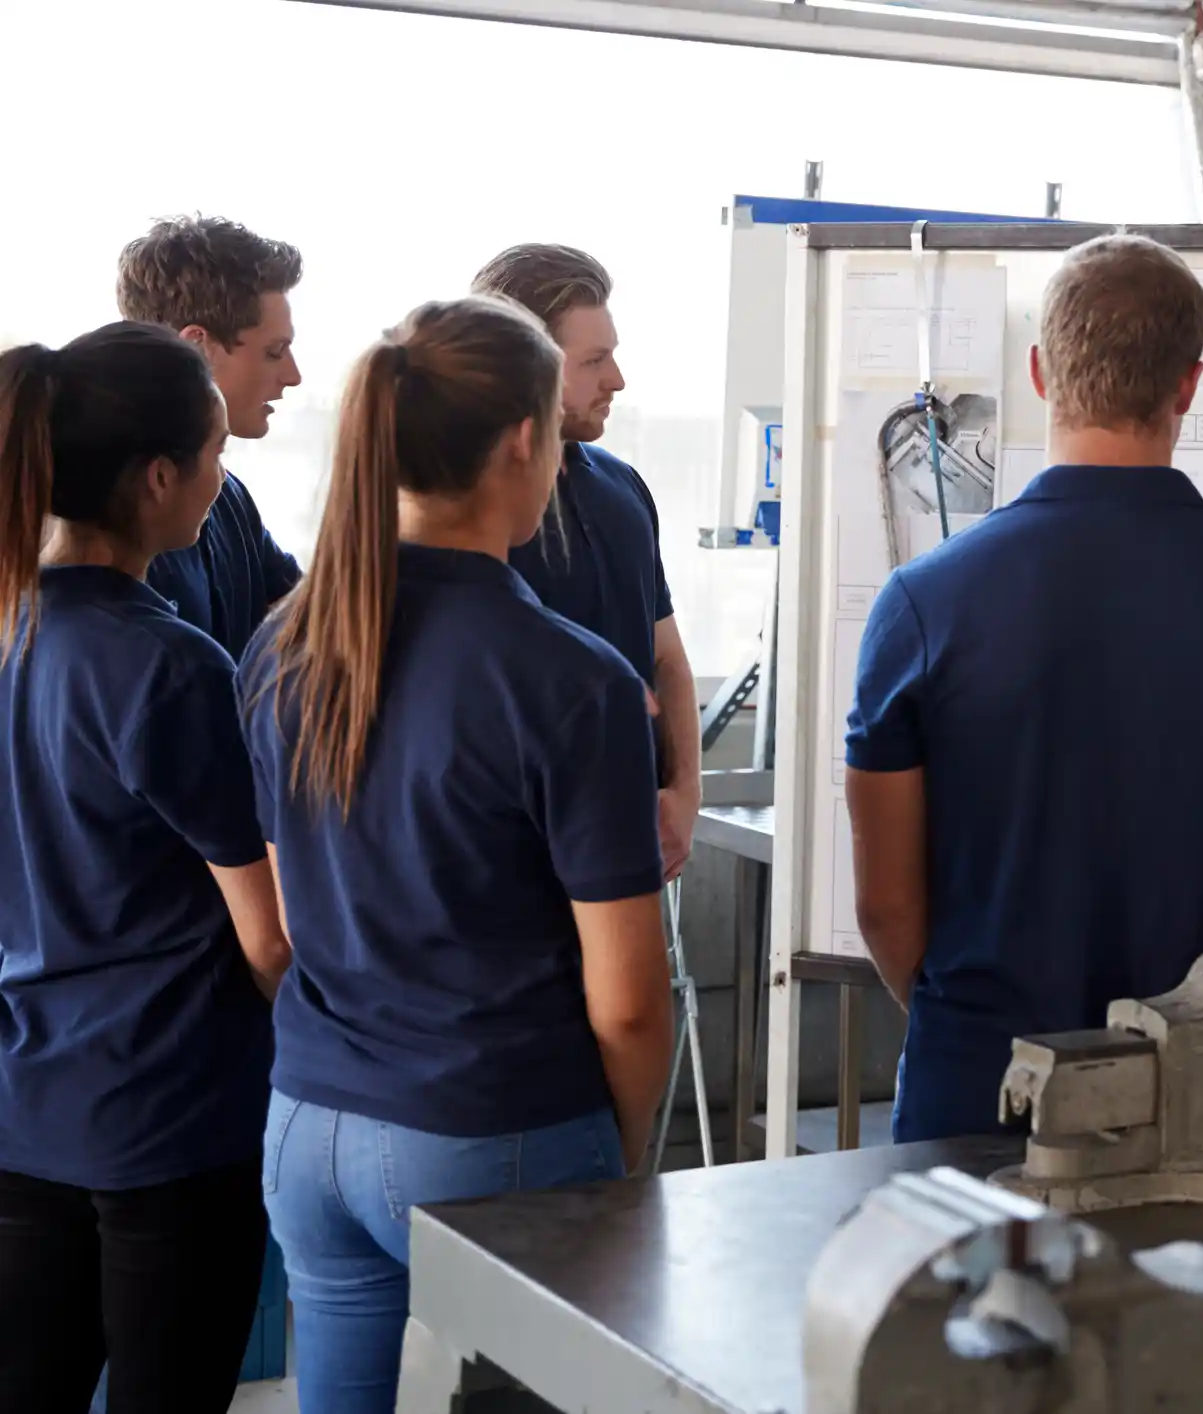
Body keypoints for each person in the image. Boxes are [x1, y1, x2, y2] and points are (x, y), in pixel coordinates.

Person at [240, 296, 674, 1413]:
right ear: (526, 441)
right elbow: (628, 1000)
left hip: (307, 1126)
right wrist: (617, 1160)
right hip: (491, 1128)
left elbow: (288, 917)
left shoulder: (285, 646)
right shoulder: (570, 681)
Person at [843, 234, 1203, 1143]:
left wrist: (965, 1021)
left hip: (981, 1081)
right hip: (1200, 1089)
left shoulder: (924, 602)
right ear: (1188, 385)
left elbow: (885, 904)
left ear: (1040, 372)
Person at [0, 324, 291, 1412]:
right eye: (216, 458)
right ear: (161, 477)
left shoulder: (12, 630)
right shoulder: (165, 664)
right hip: (171, 1116)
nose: (224, 486)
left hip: (26, 1103)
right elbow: (266, 934)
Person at [471, 244, 700, 882]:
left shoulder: (623, 489)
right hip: (518, 865)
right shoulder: (473, 517)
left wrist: (684, 797)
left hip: (630, 850)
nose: (617, 380)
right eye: (594, 361)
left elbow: (667, 659)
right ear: (526, 368)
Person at [118, 215, 306, 657]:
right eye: (274, 352)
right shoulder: (105, 522)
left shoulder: (229, 496)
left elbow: (302, 614)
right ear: (197, 347)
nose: (293, 376)